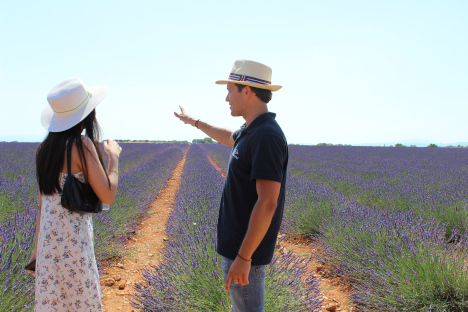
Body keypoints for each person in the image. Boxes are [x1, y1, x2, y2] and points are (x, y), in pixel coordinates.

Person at [174, 59, 288, 312]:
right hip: (238, 247)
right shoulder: (251, 130)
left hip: (246, 252)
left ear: (246, 90)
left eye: (230, 91)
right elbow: (229, 136)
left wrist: (244, 257)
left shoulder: (266, 135)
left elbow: (268, 201)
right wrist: (194, 122)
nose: (226, 98)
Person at [28, 77, 122, 312]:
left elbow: (43, 207)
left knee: (53, 304)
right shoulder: (82, 145)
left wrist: (35, 252)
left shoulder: (42, 151)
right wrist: (114, 157)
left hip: (48, 247)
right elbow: (108, 196)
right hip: (74, 244)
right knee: (82, 303)